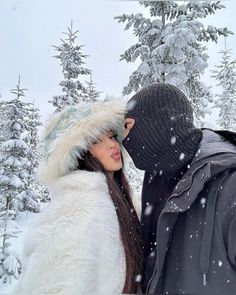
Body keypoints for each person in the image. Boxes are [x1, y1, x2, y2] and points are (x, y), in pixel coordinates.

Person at [13, 101, 142, 295]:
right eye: (97, 140)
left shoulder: (120, 201)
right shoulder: (75, 209)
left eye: (112, 136)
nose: (113, 145)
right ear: (78, 154)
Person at [122, 83, 236, 295]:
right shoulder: (157, 183)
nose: (124, 139)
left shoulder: (230, 187)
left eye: (128, 126)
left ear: (154, 125)